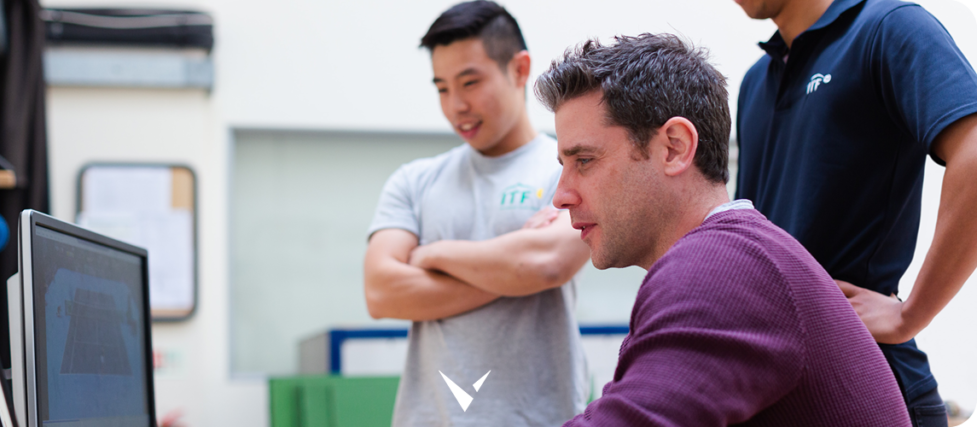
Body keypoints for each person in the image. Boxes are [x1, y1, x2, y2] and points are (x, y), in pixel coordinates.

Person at [534, 33, 910, 426]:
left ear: (675, 148)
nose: (561, 196)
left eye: (585, 160)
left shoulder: (721, 267)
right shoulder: (736, 254)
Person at [733, 0, 977, 424]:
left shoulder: (889, 28)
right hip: (778, 394)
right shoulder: (755, 82)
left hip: (870, 386)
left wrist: (911, 314)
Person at [363, 1, 590, 425]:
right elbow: (380, 291)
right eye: (442, 88)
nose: (456, 106)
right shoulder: (414, 181)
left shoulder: (569, 167)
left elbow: (547, 263)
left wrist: (432, 255)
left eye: (470, 82)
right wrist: (509, 267)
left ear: (520, 69)